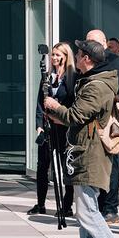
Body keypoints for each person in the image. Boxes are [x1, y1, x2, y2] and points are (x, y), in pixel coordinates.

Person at [42, 40, 119, 238]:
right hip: (85, 152)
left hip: (91, 155)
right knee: (86, 212)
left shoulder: (97, 86)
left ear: (87, 59)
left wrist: (54, 106)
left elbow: (75, 115)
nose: (75, 58)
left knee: (88, 212)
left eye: (78, 54)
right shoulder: (92, 81)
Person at [31, 42, 75, 216]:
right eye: (53, 54)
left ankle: (67, 206)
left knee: (66, 166)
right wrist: (39, 126)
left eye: (58, 55)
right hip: (48, 127)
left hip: (64, 127)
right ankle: (40, 204)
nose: (54, 58)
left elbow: (72, 102)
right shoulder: (47, 76)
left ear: (66, 56)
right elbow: (39, 103)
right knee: (42, 166)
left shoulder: (73, 77)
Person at [87, 30, 119, 225]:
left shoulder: (114, 61)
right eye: (88, 42)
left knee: (111, 166)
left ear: (103, 43)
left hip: (109, 123)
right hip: (89, 124)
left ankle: (110, 209)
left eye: (93, 42)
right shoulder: (86, 61)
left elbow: (112, 89)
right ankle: (96, 207)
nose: (90, 45)